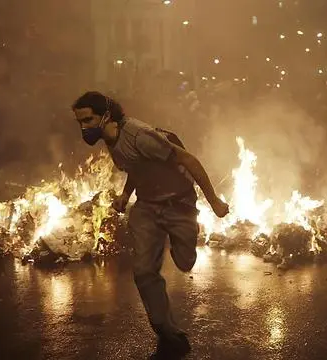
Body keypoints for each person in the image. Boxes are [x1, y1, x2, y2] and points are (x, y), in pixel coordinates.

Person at [72, 91, 229, 359]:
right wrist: (125, 195)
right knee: (144, 272)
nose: (84, 127)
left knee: (185, 261)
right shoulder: (110, 138)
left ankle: (186, 234)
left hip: (178, 203)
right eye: (80, 122)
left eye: (88, 120)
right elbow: (136, 165)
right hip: (147, 205)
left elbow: (188, 160)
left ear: (106, 116)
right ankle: (168, 334)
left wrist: (213, 201)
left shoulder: (140, 135)